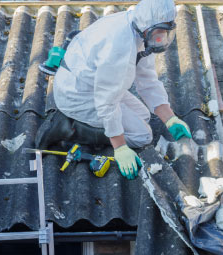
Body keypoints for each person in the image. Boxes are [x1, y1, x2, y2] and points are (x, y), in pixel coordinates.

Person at [40, 0, 192, 180]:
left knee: (144, 116)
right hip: (76, 94)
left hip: (92, 82)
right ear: (147, 26)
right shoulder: (119, 47)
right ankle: (68, 127)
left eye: (166, 31)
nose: (162, 37)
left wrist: (170, 118)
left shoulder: (139, 30)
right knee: (143, 136)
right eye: (160, 31)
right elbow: (106, 102)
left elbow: (148, 81)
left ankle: (98, 126)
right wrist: (119, 147)